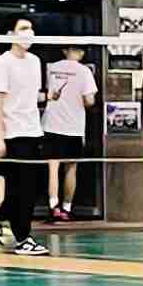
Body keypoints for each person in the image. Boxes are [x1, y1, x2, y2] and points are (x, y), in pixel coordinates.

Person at [0, 18, 49, 257]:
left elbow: (31, 96)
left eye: (31, 28)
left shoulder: (35, 61)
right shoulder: (3, 63)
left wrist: (48, 97)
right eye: (23, 28)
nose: (28, 32)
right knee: (23, 189)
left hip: (34, 130)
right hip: (13, 133)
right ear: (11, 34)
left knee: (35, 185)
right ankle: (23, 239)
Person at [40, 37, 96, 222]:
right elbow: (89, 100)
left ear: (65, 50)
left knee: (53, 168)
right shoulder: (84, 71)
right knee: (71, 169)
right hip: (74, 127)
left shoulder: (52, 68)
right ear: (81, 52)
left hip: (51, 124)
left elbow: (48, 92)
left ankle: (53, 207)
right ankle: (67, 208)